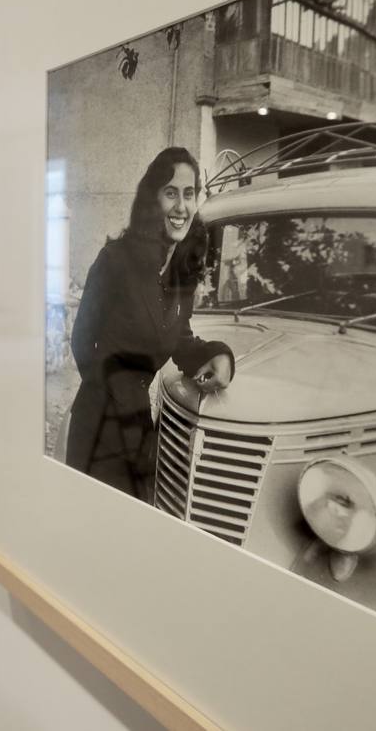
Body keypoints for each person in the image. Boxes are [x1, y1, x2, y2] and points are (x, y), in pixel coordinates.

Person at [64, 147, 235, 499]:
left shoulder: (180, 273)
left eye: (189, 194)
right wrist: (115, 395)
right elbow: (82, 341)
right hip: (100, 424)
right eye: (171, 193)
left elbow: (178, 339)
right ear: (151, 199)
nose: (181, 206)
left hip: (140, 427)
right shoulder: (116, 261)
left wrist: (218, 355)